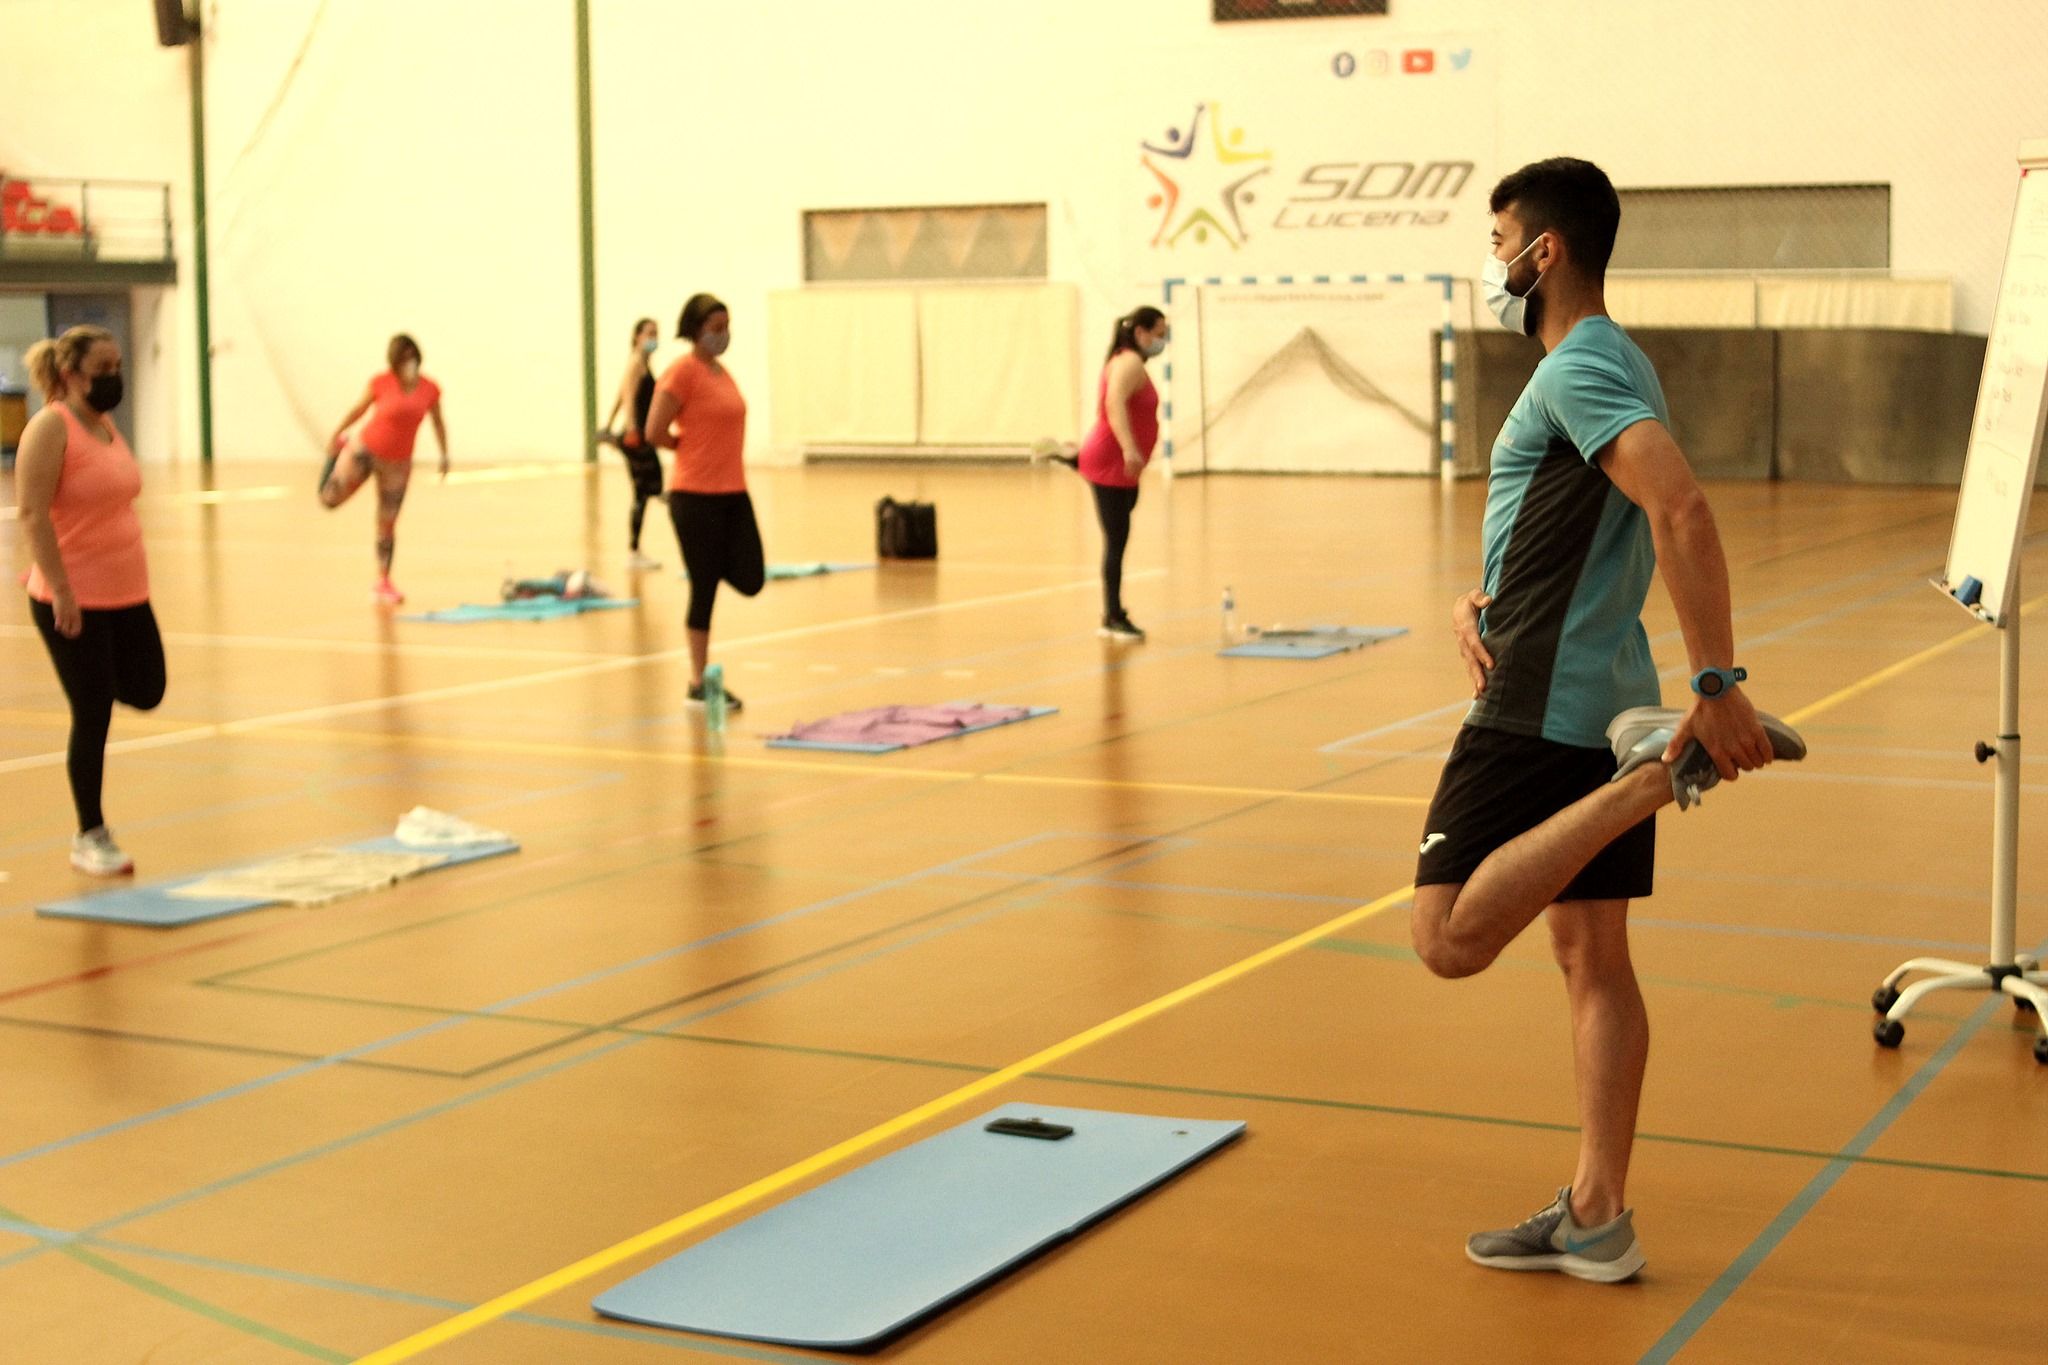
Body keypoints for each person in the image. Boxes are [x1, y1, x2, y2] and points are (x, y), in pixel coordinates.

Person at [1409, 158, 1807, 1283]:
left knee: (1445, 939)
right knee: (1591, 956)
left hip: (1535, 702)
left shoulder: (1580, 364)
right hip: (1585, 677)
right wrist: (1477, 591)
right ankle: (1597, 1214)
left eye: (1497, 245)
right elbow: (1579, 524)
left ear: (1542, 253)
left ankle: (1648, 777)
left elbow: (1677, 506)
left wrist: (1716, 684)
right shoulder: (1615, 357)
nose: (1489, 266)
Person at [16, 325, 165, 877]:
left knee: (148, 689)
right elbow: (33, 514)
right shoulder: (49, 428)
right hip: (72, 597)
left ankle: (96, 676)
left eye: (117, 366)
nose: (113, 378)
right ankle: (90, 834)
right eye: (101, 370)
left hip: (128, 591)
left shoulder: (104, 425)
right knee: (93, 709)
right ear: (69, 375)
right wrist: (60, 591)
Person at [645, 293, 763, 714]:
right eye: (714, 328)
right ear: (696, 331)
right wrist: (685, 447)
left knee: (751, 577)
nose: (722, 335)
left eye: (725, 326)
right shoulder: (681, 373)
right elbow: (654, 430)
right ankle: (698, 682)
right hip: (694, 496)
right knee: (704, 587)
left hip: (733, 491)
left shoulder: (721, 373)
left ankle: (709, 565)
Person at [1054, 307, 1167, 641]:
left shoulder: (1126, 360)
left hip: (1114, 463)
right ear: (1140, 333)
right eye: (1158, 333)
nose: (1162, 340)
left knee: (1122, 523)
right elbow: (1113, 404)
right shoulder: (1129, 362)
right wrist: (1130, 448)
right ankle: (1112, 616)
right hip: (1112, 462)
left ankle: (1075, 458)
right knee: (1116, 541)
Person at [318, 333, 448, 604]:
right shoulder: (382, 383)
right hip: (365, 450)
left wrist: (444, 454)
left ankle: (383, 580)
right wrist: (338, 433)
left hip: (398, 463)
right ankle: (337, 455)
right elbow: (359, 409)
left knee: (387, 522)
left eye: (412, 357)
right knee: (329, 499)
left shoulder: (429, 389)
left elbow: (437, 421)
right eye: (403, 358)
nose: (409, 363)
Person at [598, 316, 665, 570]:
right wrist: (631, 428)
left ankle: (634, 551)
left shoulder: (642, 364)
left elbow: (619, 392)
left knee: (643, 492)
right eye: (649, 333)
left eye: (656, 334)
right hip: (637, 437)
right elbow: (627, 395)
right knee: (653, 486)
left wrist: (609, 423)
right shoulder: (636, 362)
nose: (654, 338)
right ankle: (634, 552)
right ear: (637, 337)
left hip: (638, 434)